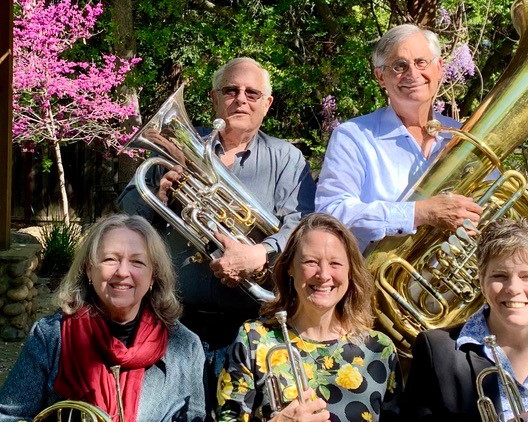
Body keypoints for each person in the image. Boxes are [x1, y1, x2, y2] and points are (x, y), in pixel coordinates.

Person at [117, 57, 316, 387]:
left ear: (266, 104)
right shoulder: (175, 148)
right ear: (214, 98)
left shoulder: (285, 158)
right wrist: (158, 195)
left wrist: (261, 253)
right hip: (175, 320)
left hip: (251, 326)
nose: (241, 99)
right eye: (231, 90)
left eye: (252, 93)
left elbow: (303, 223)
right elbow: (126, 219)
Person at [0, 214, 206, 421]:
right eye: (110, 259)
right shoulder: (49, 336)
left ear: (153, 276)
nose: (122, 272)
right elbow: (7, 416)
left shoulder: (186, 346)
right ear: (89, 270)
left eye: (137, 262)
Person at [400, 218, 528, 422]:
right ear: (482, 282)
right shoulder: (438, 352)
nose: (513, 288)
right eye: (499, 276)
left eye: (527, 276)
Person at [216, 213, 402, 421]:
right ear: (290, 267)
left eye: (335, 263)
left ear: (350, 271)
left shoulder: (380, 349)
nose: (323, 275)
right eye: (311, 262)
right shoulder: (253, 339)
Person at [315, 24, 483, 251]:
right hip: (375, 273)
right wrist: (419, 213)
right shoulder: (353, 136)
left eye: (421, 62)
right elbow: (331, 213)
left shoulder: (465, 136)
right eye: (399, 66)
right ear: (380, 77)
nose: (413, 74)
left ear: (439, 67)